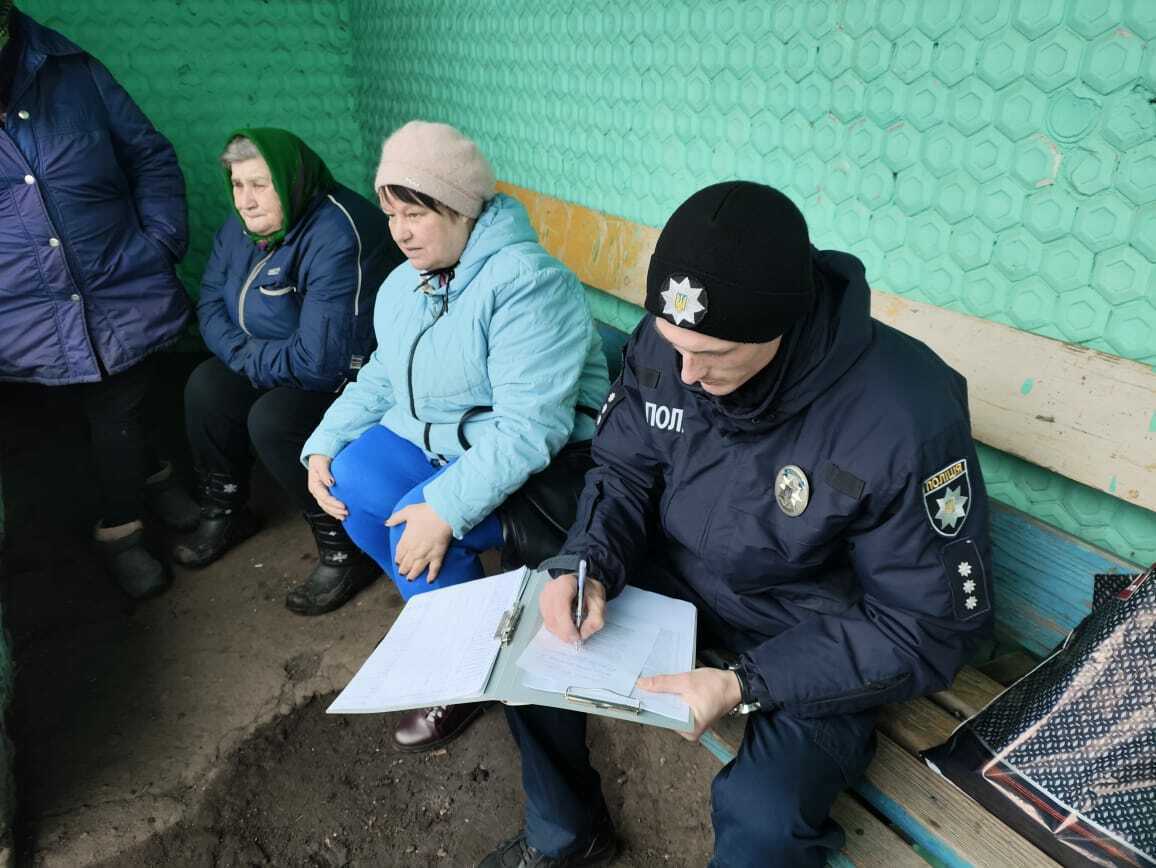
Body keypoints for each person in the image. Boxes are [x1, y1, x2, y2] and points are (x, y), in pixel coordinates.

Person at [480, 181, 995, 868]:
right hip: (686, 578)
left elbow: (923, 625)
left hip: (815, 632)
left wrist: (746, 683)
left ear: (779, 323)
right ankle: (564, 833)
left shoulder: (904, 414)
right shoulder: (670, 345)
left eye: (715, 356)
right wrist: (588, 565)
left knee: (764, 816)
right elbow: (625, 470)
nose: (688, 374)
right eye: (675, 347)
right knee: (537, 642)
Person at [301, 121, 610, 750]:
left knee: (415, 527)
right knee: (353, 480)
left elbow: (531, 428)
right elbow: (383, 376)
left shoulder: (527, 283)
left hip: (542, 458)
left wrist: (443, 507)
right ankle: (445, 616)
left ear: (463, 208)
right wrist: (324, 441)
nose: (400, 231)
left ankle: (466, 670)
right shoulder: (406, 282)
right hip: (447, 440)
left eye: (416, 213)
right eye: (392, 214)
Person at [0, 4, 191, 599]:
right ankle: (151, 484)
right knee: (74, 424)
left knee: (121, 400)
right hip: (19, 311)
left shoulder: (70, 68)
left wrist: (160, 241)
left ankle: (122, 529)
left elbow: (148, 155)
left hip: (113, 281)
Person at [173, 128, 403, 616]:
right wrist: (245, 356)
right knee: (206, 387)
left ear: (291, 181)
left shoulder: (337, 233)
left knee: (275, 419)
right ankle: (226, 508)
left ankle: (345, 548)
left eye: (261, 184)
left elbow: (321, 364)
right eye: (238, 185)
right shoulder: (244, 225)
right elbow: (209, 303)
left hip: (348, 376)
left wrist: (243, 357)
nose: (246, 200)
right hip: (270, 356)